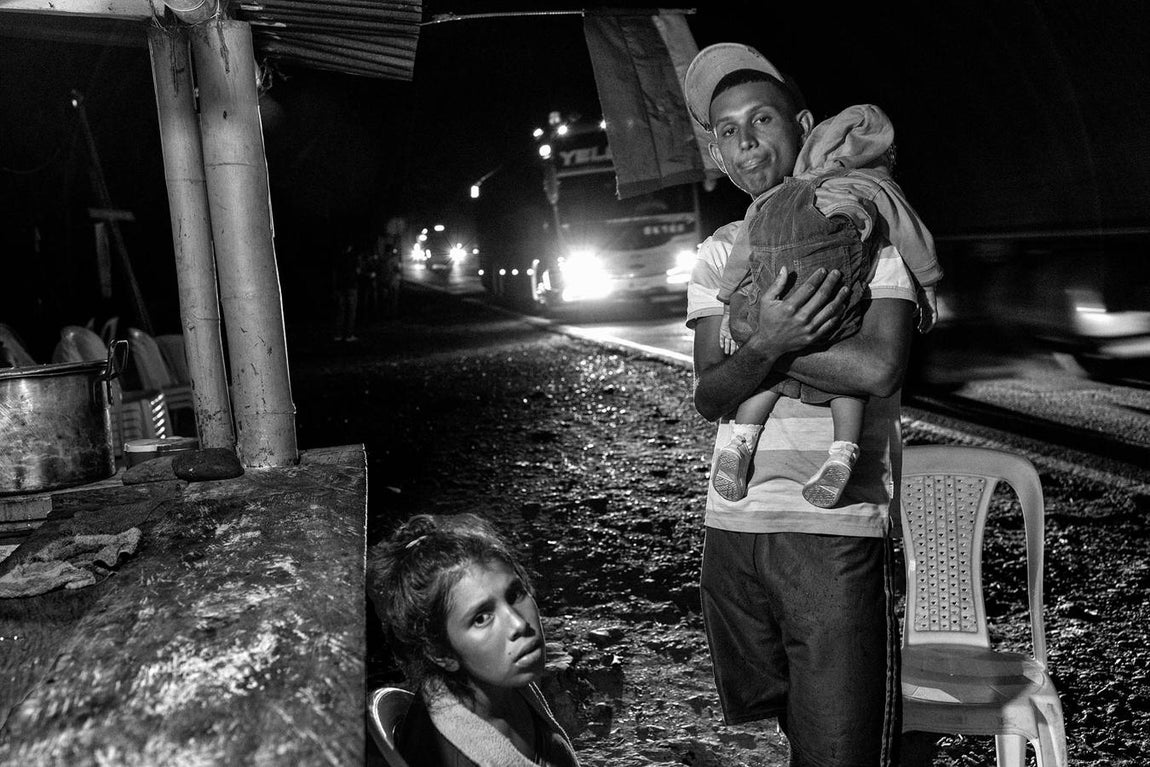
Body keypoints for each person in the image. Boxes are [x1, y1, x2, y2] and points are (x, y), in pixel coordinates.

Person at [683, 42, 918, 766]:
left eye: (762, 119)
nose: (747, 140)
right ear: (718, 153)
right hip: (734, 530)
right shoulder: (718, 253)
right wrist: (772, 342)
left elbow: (878, 367)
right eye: (727, 130)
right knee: (794, 732)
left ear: (804, 123)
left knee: (841, 747)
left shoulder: (863, 231)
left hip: (835, 534)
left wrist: (761, 342)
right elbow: (710, 391)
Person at [709, 102, 942, 506]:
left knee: (764, 372)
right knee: (846, 376)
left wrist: (736, 310)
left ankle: (739, 444)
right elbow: (911, 233)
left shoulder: (780, 196)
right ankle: (842, 453)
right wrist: (929, 284)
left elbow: (746, 247)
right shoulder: (873, 186)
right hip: (836, 289)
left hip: (774, 292)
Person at [367, 513, 580, 767]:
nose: (519, 624)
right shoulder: (460, 757)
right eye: (481, 618)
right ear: (440, 653)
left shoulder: (496, 684)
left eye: (514, 594)